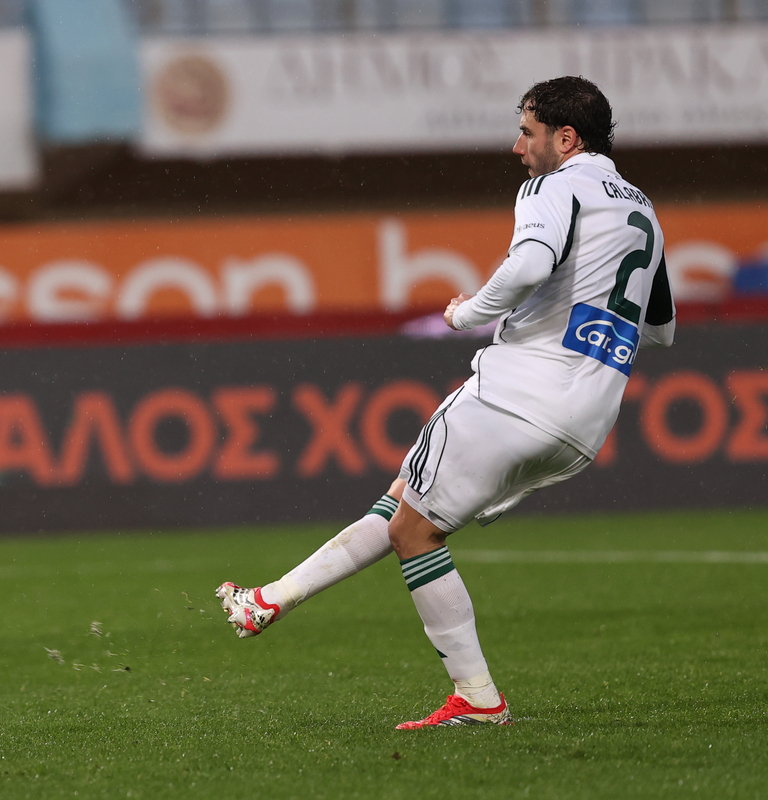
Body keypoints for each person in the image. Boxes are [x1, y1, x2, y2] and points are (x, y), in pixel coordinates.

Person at [216, 76, 677, 728]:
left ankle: (478, 696)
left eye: (527, 131)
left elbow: (528, 267)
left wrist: (468, 314)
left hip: (516, 393)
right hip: (585, 424)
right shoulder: (643, 211)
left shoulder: (552, 187)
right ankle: (268, 600)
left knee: (414, 531)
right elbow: (661, 329)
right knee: (406, 501)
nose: (517, 146)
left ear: (566, 139)